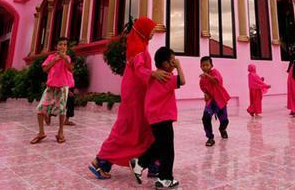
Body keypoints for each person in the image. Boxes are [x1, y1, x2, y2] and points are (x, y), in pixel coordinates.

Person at [89, 17, 168, 180]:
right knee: (129, 128)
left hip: (137, 92)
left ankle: (153, 164)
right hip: (135, 95)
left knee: (143, 128)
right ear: (144, 31)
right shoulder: (139, 48)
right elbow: (139, 70)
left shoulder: (139, 45)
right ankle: (101, 160)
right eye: (151, 30)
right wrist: (154, 74)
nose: (153, 33)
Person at [130, 47, 184, 189]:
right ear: (165, 64)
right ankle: (165, 179)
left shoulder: (155, 76)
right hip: (162, 117)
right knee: (168, 150)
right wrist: (179, 66)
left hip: (155, 116)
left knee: (160, 146)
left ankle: (139, 163)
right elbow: (183, 81)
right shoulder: (166, 77)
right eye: (172, 61)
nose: (174, 63)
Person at [30, 37, 73, 144]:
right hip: (50, 87)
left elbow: (70, 68)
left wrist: (63, 58)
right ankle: (41, 132)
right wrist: (54, 60)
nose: (62, 46)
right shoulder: (50, 57)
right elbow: (45, 69)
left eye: (65, 45)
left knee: (62, 111)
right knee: (40, 109)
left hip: (62, 87)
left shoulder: (67, 57)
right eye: (60, 44)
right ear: (56, 46)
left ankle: (60, 132)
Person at [200, 56, 231, 147]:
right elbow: (203, 88)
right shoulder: (202, 79)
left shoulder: (215, 72)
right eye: (203, 65)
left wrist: (207, 76)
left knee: (224, 121)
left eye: (207, 65)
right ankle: (210, 137)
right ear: (200, 67)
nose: (205, 67)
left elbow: (216, 81)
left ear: (211, 65)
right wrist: (205, 94)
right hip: (210, 101)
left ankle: (222, 129)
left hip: (220, 100)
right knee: (205, 118)